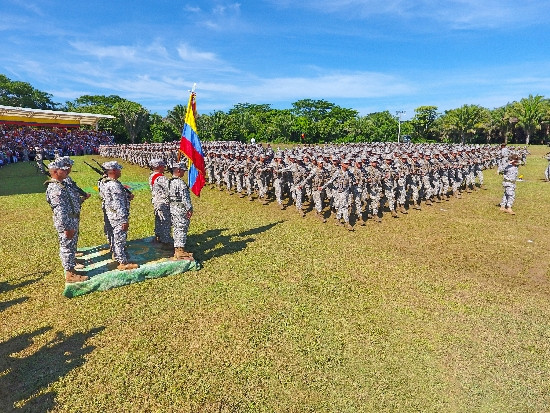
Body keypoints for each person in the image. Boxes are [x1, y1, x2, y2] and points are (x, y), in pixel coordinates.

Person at [45, 159, 88, 283]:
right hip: (67, 222)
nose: (65, 171)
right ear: (55, 171)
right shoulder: (55, 188)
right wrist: (66, 227)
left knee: (70, 245)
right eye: (62, 169)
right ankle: (70, 274)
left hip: (71, 219)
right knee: (67, 247)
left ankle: (72, 269)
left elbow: (69, 202)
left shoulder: (62, 184)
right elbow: (60, 211)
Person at [99, 161, 139, 270]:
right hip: (117, 216)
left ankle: (117, 256)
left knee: (114, 237)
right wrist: (123, 220)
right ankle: (123, 262)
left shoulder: (105, 182)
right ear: (113, 171)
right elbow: (118, 203)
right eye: (118, 169)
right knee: (120, 238)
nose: (120, 171)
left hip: (111, 214)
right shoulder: (114, 185)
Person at [168, 161, 194, 260]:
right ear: (178, 170)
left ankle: (177, 249)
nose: (184, 172)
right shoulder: (180, 183)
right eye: (183, 170)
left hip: (173, 207)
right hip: (180, 208)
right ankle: (180, 251)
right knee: (182, 228)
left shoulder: (170, 181)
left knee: (176, 228)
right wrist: (189, 208)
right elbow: (185, 198)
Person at [149, 159, 173, 248]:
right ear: (159, 166)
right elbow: (170, 188)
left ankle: (158, 236)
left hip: (156, 201)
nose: (164, 167)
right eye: (163, 165)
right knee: (165, 222)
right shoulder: (161, 178)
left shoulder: (152, 176)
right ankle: (166, 242)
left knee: (159, 220)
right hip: (163, 202)